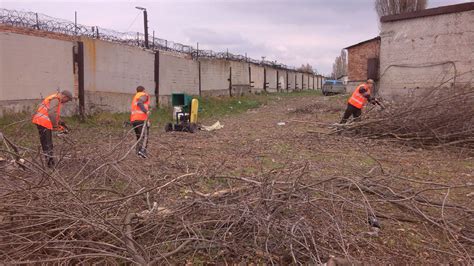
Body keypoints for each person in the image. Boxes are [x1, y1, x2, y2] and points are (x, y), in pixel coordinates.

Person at [32, 90, 73, 167]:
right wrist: (55, 127)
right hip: (43, 122)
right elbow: (51, 114)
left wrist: (61, 123)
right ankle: (50, 163)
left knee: (47, 143)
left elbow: (53, 114)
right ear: (65, 96)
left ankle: (50, 162)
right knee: (47, 144)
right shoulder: (56, 99)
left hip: (42, 122)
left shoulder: (54, 98)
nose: (66, 102)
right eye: (67, 100)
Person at [130, 86, 151, 158]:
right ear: (143, 90)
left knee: (139, 136)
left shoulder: (135, 96)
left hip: (134, 120)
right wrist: (146, 111)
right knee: (144, 136)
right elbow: (140, 103)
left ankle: (138, 152)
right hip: (141, 119)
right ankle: (142, 151)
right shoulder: (144, 95)